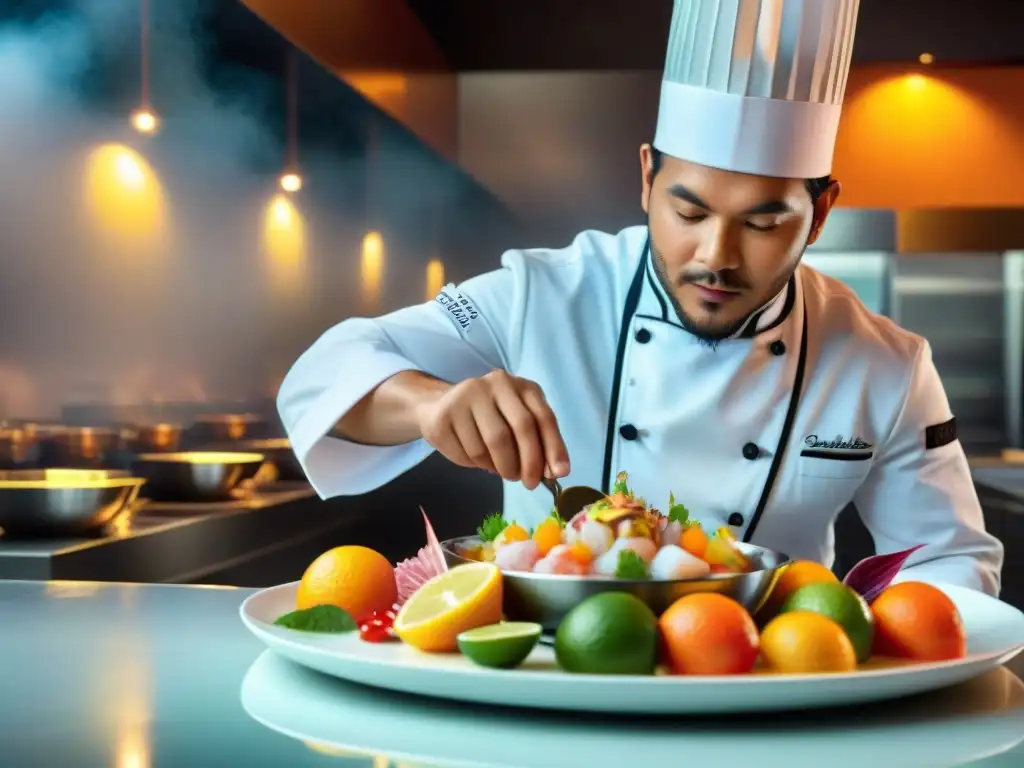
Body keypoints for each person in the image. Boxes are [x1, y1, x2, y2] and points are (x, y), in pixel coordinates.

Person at [277, 0, 1003, 596]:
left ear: (819, 213)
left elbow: (950, 566)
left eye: (761, 223)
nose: (716, 256)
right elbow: (325, 372)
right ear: (647, 180)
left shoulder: (890, 366)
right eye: (688, 213)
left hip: (770, 697)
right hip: (550, 681)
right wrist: (430, 405)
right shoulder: (544, 293)